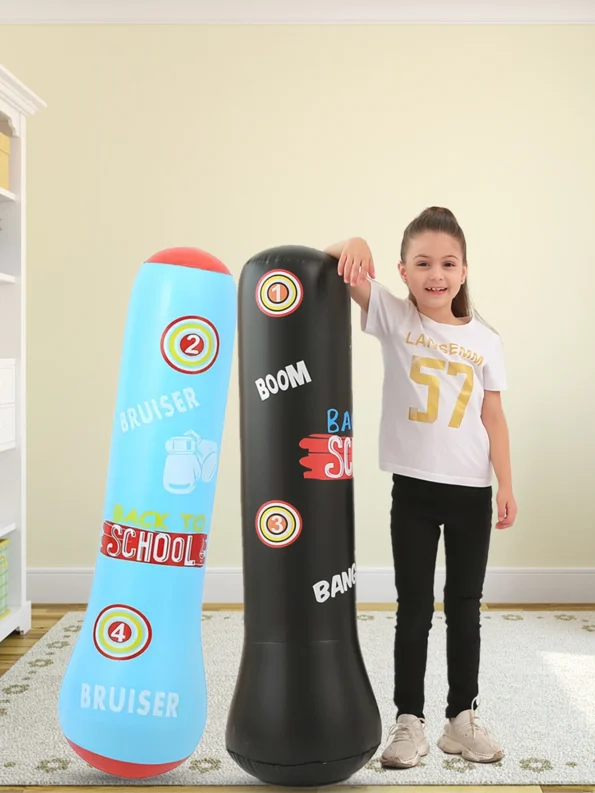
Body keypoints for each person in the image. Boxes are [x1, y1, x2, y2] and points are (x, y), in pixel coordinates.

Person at [323, 206, 517, 770]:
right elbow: (334, 260)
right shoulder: (394, 316)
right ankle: (410, 720)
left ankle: (462, 718)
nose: (437, 274)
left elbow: (494, 417)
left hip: (471, 491)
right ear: (403, 271)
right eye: (423, 263)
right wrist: (355, 240)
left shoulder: (486, 339)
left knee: (464, 607)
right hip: (413, 491)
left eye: (448, 263)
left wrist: (506, 483)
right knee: (413, 608)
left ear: (464, 270)